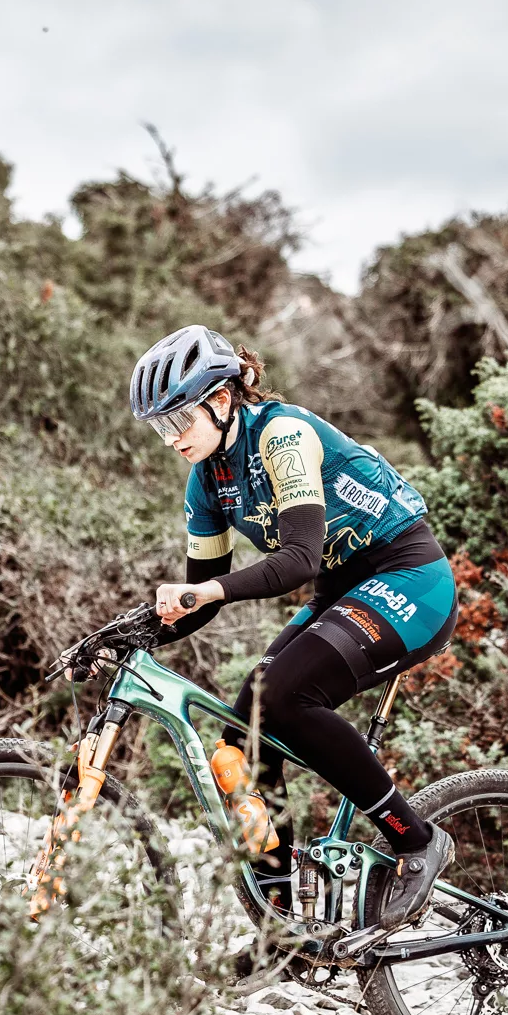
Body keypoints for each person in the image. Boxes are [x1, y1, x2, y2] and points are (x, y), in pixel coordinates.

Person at [134, 324, 458, 931]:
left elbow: (300, 560)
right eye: (160, 428)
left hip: (410, 577)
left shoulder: (281, 434)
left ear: (221, 399)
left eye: (178, 420)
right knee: (242, 741)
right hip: (345, 589)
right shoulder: (206, 480)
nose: (172, 438)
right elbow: (200, 599)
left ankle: (415, 840)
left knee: (284, 697)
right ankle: (284, 923)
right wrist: (127, 636)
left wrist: (207, 590)